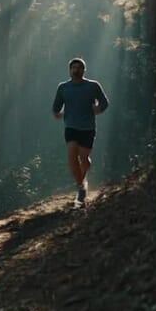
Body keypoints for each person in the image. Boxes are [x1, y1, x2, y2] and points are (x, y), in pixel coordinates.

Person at [52, 57, 109, 207]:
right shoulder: (63, 87)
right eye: (73, 68)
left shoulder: (93, 86)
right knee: (71, 156)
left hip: (88, 128)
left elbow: (104, 102)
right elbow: (56, 106)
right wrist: (57, 113)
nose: (76, 70)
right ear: (69, 70)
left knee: (84, 160)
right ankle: (81, 188)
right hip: (71, 127)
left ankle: (82, 181)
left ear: (84, 70)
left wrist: (98, 109)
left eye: (79, 68)